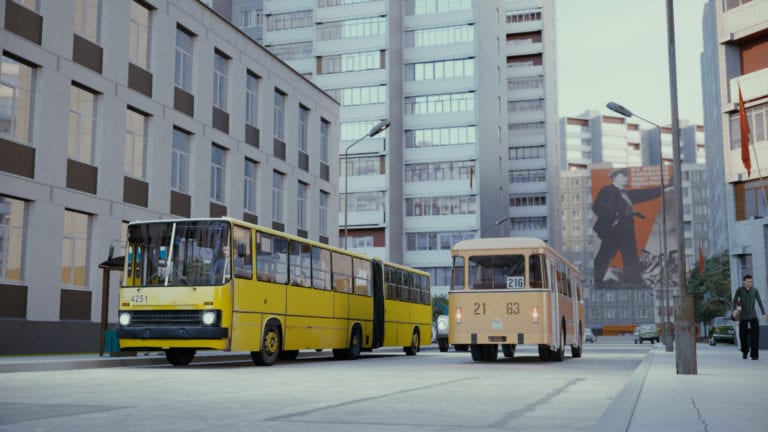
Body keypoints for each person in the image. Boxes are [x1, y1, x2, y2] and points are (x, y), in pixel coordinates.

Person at [592, 168, 661, 288]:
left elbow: (645, 193)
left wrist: (663, 189)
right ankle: (597, 281)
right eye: (623, 175)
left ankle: (634, 282)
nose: (626, 178)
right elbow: (598, 207)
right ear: (614, 177)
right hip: (613, 231)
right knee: (604, 256)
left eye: (626, 176)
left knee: (631, 257)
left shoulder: (626, 193)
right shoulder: (607, 190)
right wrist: (615, 216)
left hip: (627, 230)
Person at [732, 274, 767, 360]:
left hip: (753, 316)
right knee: (742, 336)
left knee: (755, 336)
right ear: (744, 282)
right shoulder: (740, 290)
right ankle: (745, 351)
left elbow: (760, 302)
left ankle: (754, 355)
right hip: (743, 317)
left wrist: (763, 313)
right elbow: (734, 301)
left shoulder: (755, 290)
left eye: (751, 282)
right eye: (748, 282)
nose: (750, 283)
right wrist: (734, 310)